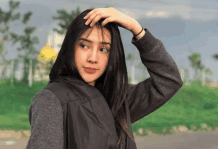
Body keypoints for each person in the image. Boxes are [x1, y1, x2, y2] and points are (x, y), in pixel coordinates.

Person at [26, 7, 183, 149]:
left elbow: (168, 80)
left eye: (103, 49)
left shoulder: (118, 98)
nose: (93, 58)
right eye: (84, 46)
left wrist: (136, 29)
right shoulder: (52, 99)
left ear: (112, 55)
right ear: (70, 48)